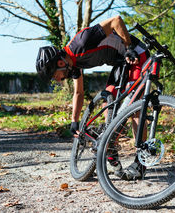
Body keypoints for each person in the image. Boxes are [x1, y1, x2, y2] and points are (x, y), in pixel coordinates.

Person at [35, 15, 149, 180]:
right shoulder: (73, 64)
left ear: (60, 64)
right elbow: (78, 92)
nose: (58, 80)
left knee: (134, 107)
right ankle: (111, 148)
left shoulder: (82, 42)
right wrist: (75, 121)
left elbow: (115, 20)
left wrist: (129, 46)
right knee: (108, 103)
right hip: (121, 63)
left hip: (136, 54)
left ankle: (141, 162)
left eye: (55, 76)